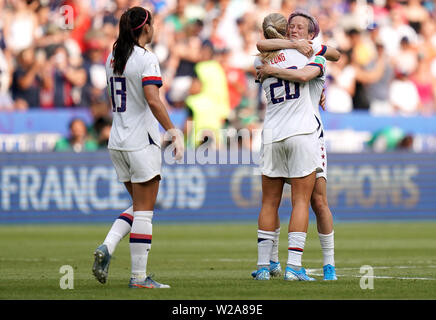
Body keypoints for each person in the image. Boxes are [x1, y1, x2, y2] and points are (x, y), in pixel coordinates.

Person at [92, 6, 184, 289]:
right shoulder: (146, 58)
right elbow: (153, 100)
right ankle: (139, 278)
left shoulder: (114, 56)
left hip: (117, 141)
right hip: (140, 141)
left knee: (138, 205)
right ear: (146, 28)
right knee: (145, 212)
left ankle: (107, 245)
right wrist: (173, 130)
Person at [254, 11, 340, 281]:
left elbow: (262, 48)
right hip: (303, 133)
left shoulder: (264, 59)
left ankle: (264, 267)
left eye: (300, 27)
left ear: (310, 33)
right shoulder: (309, 55)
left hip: (271, 134)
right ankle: (292, 266)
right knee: (303, 200)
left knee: (271, 201)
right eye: (290, 27)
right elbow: (307, 74)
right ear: (283, 30)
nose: (294, 31)